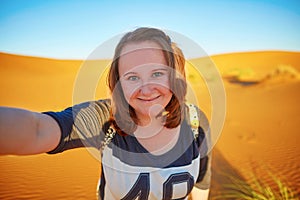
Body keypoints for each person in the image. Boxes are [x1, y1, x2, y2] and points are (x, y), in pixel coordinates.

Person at [0, 27, 211, 199]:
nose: (145, 89)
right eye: (132, 77)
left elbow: (202, 181)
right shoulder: (104, 119)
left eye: (157, 73)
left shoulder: (195, 121)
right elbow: (38, 129)